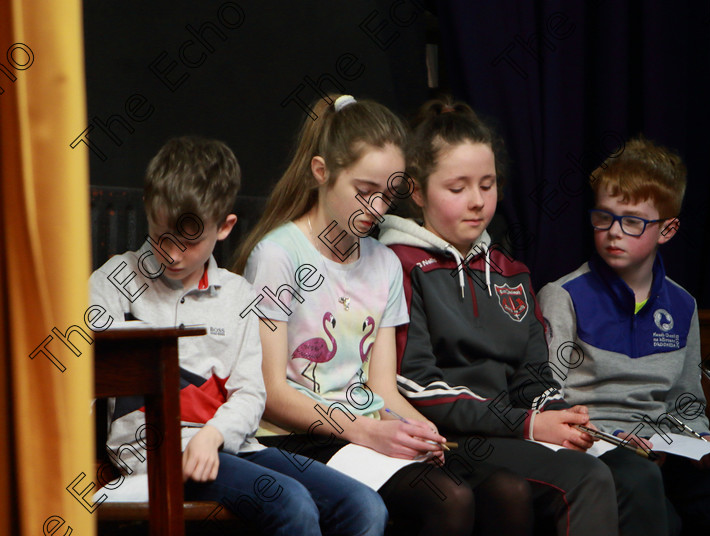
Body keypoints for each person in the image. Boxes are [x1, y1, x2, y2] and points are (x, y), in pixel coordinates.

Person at [234, 94, 533, 536]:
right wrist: (366, 431)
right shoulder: (279, 255)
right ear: (321, 173)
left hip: (363, 432)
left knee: (507, 490)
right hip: (296, 437)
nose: (375, 209)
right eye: (364, 191)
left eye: (388, 195)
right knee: (448, 498)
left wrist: (420, 427)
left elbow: (382, 388)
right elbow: (273, 392)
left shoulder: (384, 263)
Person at [89, 136, 388, 536]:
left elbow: (251, 393)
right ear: (148, 212)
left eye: (190, 241)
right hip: (158, 450)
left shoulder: (237, 295)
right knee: (292, 505)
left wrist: (214, 434)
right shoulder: (112, 282)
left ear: (225, 226)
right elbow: (82, 383)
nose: (173, 255)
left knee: (364, 507)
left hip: (233, 444)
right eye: (162, 235)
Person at [378, 97, 624, 536]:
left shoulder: (512, 272)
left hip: (510, 433)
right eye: (458, 189)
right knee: (587, 479)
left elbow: (533, 376)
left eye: (487, 185)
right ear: (416, 191)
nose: (476, 202)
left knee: (633, 474)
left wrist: (562, 416)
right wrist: (528, 423)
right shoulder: (398, 265)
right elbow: (415, 384)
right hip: (452, 439)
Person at [537, 137, 710, 536]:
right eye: (604, 217)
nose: (613, 233)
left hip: (665, 452)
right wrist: (614, 436)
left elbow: (685, 401)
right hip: (598, 451)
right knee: (651, 499)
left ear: (667, 230)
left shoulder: (682, 304)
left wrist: (704, 438)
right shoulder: (564, 296)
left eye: (633, 221)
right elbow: (551, 399)